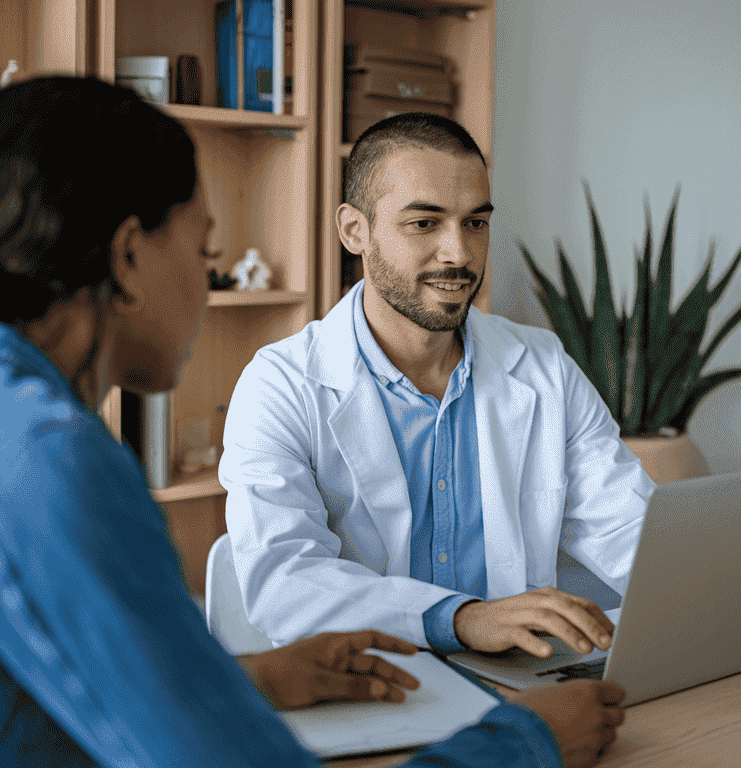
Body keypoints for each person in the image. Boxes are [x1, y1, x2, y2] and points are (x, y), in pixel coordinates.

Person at [0, 76, 625, 768]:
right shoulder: (57, 462)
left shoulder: (21, 431)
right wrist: (529, 744)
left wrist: (248, 677)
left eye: (475, 222)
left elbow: (59, 702)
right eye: (207, 253)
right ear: (126, 258)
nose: (459, 253)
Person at [220, 112, 655, 659]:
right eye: (425, 224)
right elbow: (284, 582)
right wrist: (462, 620)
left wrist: (711, 588)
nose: (459, 253)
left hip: (522, 679)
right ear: (355, 231)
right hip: (379, 683)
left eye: (475, 223)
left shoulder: (542, 366)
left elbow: (632, 532)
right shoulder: (280, 384)